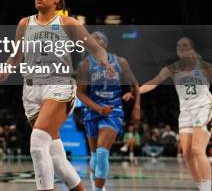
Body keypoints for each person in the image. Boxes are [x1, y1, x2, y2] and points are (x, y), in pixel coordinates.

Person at [0, 0, 115, 191]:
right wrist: (5, 68)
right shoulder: (25, 23)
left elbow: (96, 49)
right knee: (56, 157)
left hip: (59, 86)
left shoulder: (68, 23)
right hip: (31, 91)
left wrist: (105, 62)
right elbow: (16, 56)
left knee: (38, 142)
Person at [138, 37, 212, 191]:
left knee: (198, 150)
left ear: (192, 49)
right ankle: (202, 187)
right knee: (187, 155)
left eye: (185, 45)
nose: (181, 48)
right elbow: (153, 82)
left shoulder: (204, 67)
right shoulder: (172, 68)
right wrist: (136, 92)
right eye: (179, 46)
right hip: (185, 112)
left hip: (204, 108)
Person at [77, 31, 141, 191]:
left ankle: (98, 189)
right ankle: (96, 182)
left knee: (101, 153)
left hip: (113, 109)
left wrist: (136, 105)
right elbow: (79, 92)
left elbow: (135, 84)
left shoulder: (120, 62)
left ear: (106, 43)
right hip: (93, 110)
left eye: (100, 38)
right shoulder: (85, 64)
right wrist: (98, 108)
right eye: (93, 38)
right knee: (94, 158)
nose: (96, 40)